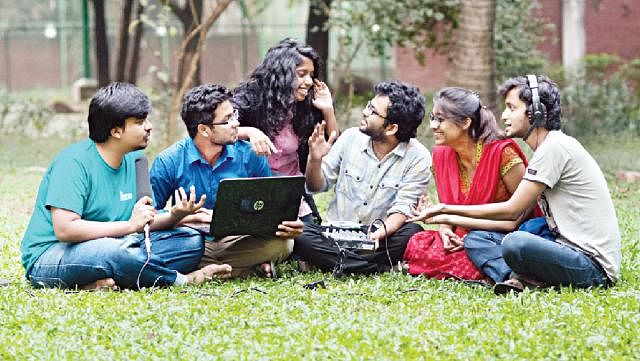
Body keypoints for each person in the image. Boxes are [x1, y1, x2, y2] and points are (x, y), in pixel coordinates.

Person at [410, 75, 620, 294]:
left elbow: (512, 210)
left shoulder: (555, 148)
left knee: (516, 243)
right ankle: (517, 280)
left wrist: (444, 211)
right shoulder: (549, 147)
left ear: (536, 112)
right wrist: (446, 221)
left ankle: (522, 279)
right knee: (476, 238)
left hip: (592, 266)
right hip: (561, 247)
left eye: (512, 108)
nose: (503, 115)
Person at [20, 83, 231, 290]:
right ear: (116, 131)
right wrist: (129, 227)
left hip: (117, 244)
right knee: (120, 252)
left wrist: (176, 216)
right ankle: (181, 280)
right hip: (52, 255)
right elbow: (66, 229)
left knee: (190, 241)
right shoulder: (73, 163)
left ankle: (102, 280)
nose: (149, 126)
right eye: (139, 122)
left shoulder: (136, 161)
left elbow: (144, 224)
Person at [150, 84, 303, 278]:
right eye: (227, 120)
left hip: (236, 240)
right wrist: (180, 216)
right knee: (156, 249)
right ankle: (241, 269)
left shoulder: (250, 154)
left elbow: (269, 207)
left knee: (283, 244)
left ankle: (208, 270)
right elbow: (149, 219)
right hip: (189, 241)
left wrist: (287, 223)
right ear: (204, 130)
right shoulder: (168, 161)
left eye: (234, 115)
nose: (236, 124)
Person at [293, 80, 431, 275]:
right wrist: (314, 160)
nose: (365, 112)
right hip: (335, 233)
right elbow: (317, 186)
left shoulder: (419, 157)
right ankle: (376, 267)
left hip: (379, 236)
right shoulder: (350, 137)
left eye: (373, 111)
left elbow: (403, 209)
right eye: (368, 106)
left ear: (391, 128)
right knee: (299, 232)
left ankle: (334, 263)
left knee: (413, 232)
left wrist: (375, 236)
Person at [403, 87, 534, 282]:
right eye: (432, 118)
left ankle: (498, 271)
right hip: (461, 237)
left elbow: (518, 218)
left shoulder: (502, 153)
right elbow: (448, 214)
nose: (432, 125)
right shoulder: (440, 154)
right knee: (417, 243)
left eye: (440, 119)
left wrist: (456, 226)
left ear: (465, 122)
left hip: (500, 237)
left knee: (476, 247)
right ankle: (479, 269)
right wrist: (446, 231)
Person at [232, 38, 338, 224]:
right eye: (301, 74)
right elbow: (217, 128)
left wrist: (327, 109)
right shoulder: (251, 98)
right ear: (282, 74)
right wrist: (250, 132)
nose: (308, 81)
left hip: (292, 192)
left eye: (311, 75)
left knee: (311, 240)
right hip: (253, 192)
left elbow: (334, 144)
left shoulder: (305, 106)